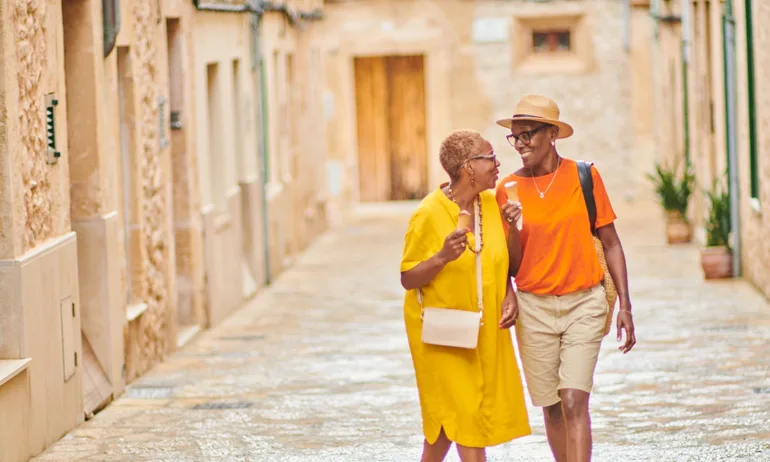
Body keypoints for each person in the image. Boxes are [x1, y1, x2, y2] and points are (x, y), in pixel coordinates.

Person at [494, 95, 636, 462]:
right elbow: (509, 263)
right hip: (532, 307)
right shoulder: (506, 190)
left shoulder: (583, 175)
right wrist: (510, 228)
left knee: (574, 399)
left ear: (552, 133)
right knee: (552, 406)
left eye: (528, 134)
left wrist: (625, 305)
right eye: (515, 137)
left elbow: (612, 243)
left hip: (583, 303)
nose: (521, 143)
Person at [400, 129, 531, 462]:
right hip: (442, 335)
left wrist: (508, 292)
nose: (498, 163)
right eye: (490, 157)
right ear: (467, 167)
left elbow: (503, 262)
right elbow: (407, 277)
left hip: (484, 329)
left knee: (447, 427)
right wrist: (442, 256)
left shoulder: (491, 203)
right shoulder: (428, 213)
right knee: (467, 419)